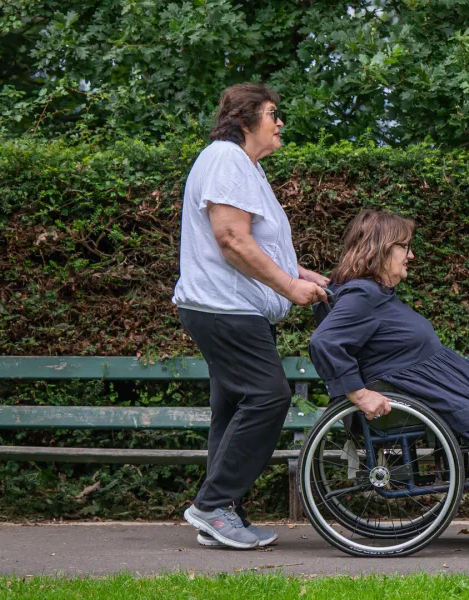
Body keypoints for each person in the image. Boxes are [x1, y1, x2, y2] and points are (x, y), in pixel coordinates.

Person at [308, 209, 469, 533]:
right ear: (382, 248)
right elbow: (325, 342)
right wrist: (358, 394)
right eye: (405, 246)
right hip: (417, 390)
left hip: (436, 380)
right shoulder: (363, 294)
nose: (411, 255)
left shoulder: (375, 293)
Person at [173, 83, 329, 549]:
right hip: (225, 308)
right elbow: (232, 240)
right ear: (244, 120)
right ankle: (214, 506)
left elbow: (255, 241)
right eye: (272, 113)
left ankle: (222, 513)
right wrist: (288, 286)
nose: (280, 123)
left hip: (227, 307)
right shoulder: (226, 160)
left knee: (233, 408)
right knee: (268, 397)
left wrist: (301, 273)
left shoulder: (245, 167)